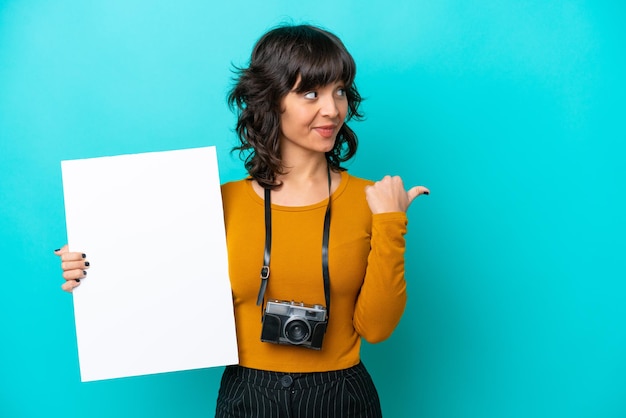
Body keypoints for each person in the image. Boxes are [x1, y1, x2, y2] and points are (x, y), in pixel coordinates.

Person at [55, 24, 429, 417]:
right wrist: (93, 267)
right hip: (248, 393)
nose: (332, 109)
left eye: (339, 90)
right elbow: (160, 285)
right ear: (271, 101)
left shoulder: (374, 200)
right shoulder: (218, 202)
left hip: (340, 394)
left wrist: (391, 225)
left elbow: (377, 328)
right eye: (310, 93)